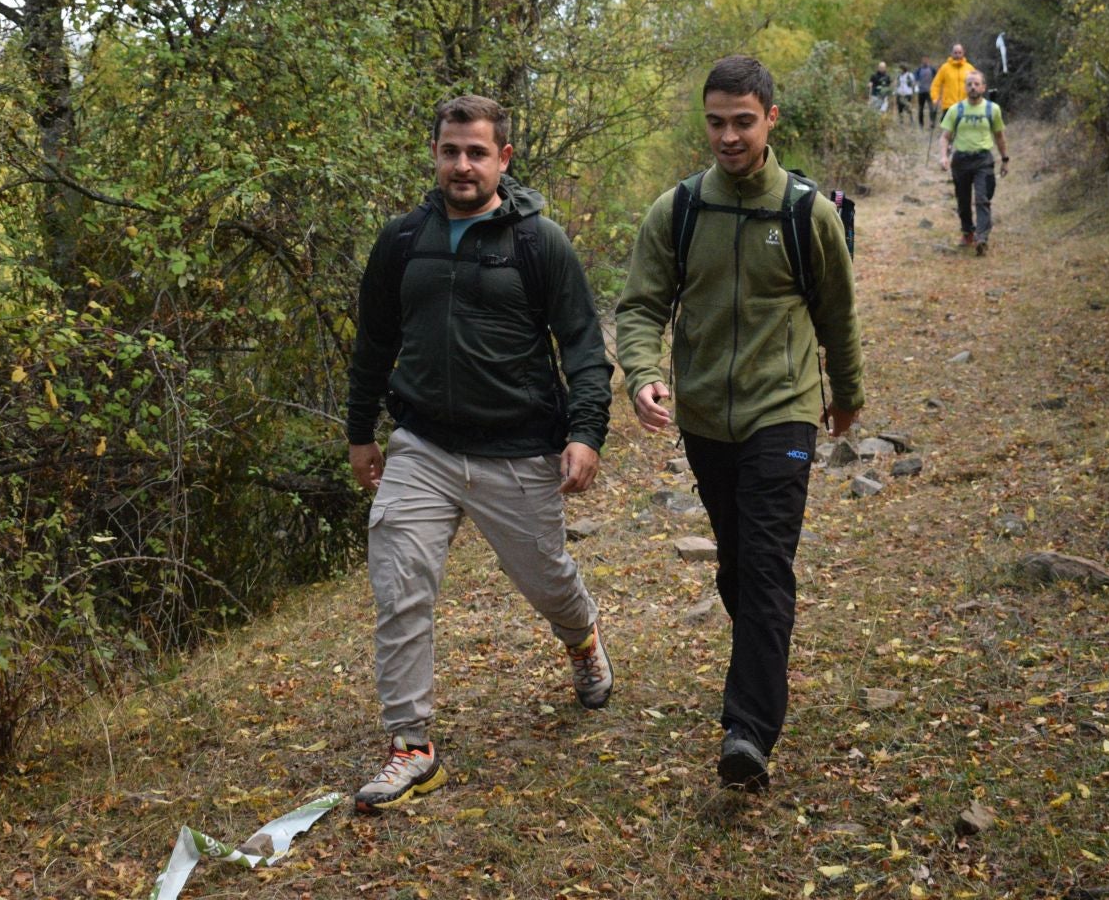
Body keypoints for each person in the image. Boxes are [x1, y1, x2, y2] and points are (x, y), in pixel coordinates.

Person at [345, 95, 615, 813]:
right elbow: (373, 344)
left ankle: (581, 637)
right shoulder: (402, 241)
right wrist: (360, 432)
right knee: (399, 582)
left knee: (547, 579)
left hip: (519, 450)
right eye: (449, 151)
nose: (461, 165)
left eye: (475, 152)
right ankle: (411, 746)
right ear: (433, 154)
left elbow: (584, 344)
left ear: (503, 158)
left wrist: (586, 431)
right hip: (422, 445)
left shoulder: (538, 242)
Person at [614, 56, 863, 793]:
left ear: (771, 119)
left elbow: (838, 314)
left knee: (763, 564)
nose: (728, 136)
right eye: (717, 121)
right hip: (704, 422)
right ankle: (762, 653)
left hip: (782, 409)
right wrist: (645, 371)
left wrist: (846, 395)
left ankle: (747, 730)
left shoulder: (806, 212)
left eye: (743, 122)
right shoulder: (680, 209)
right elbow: (640, 306)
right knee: (735, 566)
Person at [936, 69, 1009, 255]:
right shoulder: (955, 110)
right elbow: (945, 137)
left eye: (976, 84)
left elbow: (999, 136)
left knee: (982, 199)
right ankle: (968, 231)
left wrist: (1005, 159)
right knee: (963, 201)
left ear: (983, 87)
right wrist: (944, 156)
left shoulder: (992, 110)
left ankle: (982, 238)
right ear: (965, 88)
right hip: (961, 160)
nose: (973, 87)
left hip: (983, 159)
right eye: (969, 84)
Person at [928, 42, 975, 119]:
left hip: (966, 105)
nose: (957, 55)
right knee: (948, 130)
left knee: (964, 130)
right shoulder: (945, 68)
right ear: (951, 53)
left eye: (960, 52)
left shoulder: (970, 68)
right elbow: (935, 84)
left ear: (963, 53)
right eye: (955, 52)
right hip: (949, 106)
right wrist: (935, 98)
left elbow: (976, 85)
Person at [912, 58, 936, 129]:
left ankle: (932, 122)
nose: (925, 62)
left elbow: (937, 77)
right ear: (922, 62)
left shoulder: (932, 69)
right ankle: (921, 124)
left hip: (930, 92)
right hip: (921, 92)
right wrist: (915, 84)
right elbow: (914, 78)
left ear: (929, 62)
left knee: (931, 108)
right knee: (921, 109)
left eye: (926, 61)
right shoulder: (919, 70)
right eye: (924, 61)